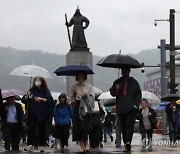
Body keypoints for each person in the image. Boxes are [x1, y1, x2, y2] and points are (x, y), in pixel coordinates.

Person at [110, 67, 142, 152]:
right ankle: (126, 142)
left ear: (129, 71)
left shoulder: (134, 82)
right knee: (123, 126)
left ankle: (128, 142)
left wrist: (135, 105)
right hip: (120, 108)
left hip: (131, 108)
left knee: (129, 125)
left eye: (126, 70)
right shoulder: (117, 82)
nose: (124, 72)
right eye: (123, 70)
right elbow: (112, 93)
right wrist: (116, 88)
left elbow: (138, 95)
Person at [22, 77, 54, 152]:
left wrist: (41, 99)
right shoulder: (32, 90)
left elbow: (50, 101)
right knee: (31, 129)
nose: (37, 82)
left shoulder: (45, 91)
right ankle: (30, 145)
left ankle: (42, 145)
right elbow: (23, 100)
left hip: (42, 113)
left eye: (39, 81)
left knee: (42, 129)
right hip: (32, 113)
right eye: (36, 81)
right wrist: (27, 96)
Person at [70, 71, 95, 153]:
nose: (80, 77)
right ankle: (81, 145)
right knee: (78, 127)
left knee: (85, 126)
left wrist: (86, 95)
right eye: (79, 76)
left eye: (82, 76)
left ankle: (87, 144)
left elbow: (92, 98)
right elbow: (71, 98)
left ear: (84, 77)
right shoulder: (74, 86)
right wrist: (74, 93)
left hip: (85, 107)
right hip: (77, 106)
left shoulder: (89, 87)